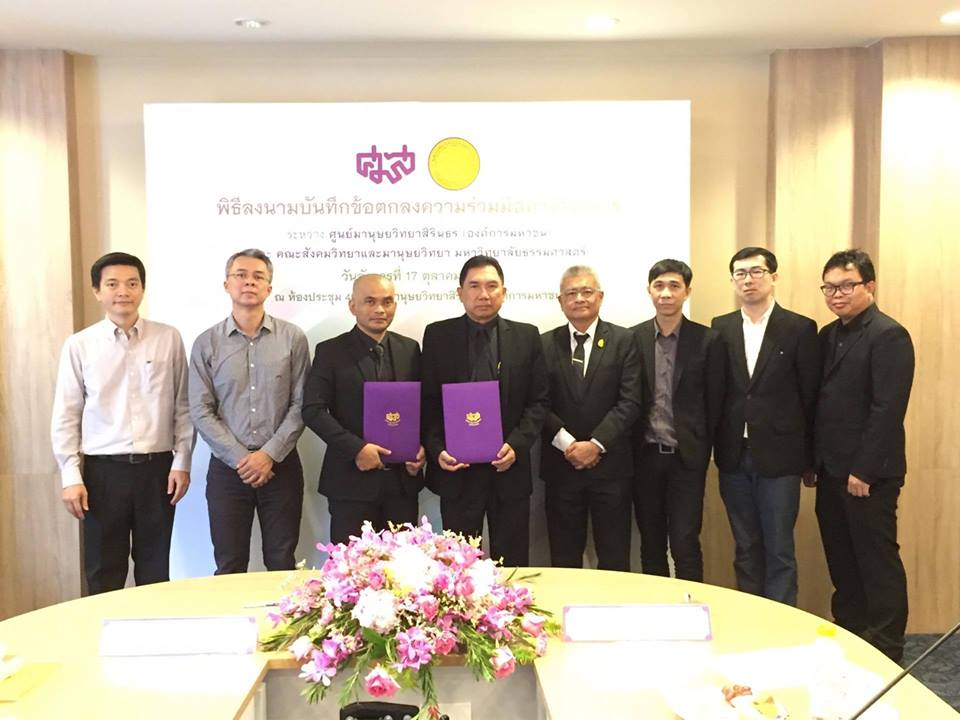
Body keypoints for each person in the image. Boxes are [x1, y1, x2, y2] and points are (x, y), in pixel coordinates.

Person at [51, 252, 192, 594]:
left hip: (157, 470)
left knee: (155, 569)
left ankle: (153, 628)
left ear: (142, 289)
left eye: (132, 283)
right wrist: (71, 475)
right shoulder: (80, 345)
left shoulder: (168, 338)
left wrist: (182, 461)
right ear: (97, 291)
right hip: (102, 473)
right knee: (104, 569)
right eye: (112, 284)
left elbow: (183, 406)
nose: (123, 292)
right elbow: (67, 413)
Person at [813, 249, 914, 662]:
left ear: (869, 286)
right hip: (830, 470)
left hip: (868, 475)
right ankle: (852, 634)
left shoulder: (889, 335)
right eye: (829, 287)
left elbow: (887, 409)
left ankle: (887, 646)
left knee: (876, 561)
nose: (837, 294)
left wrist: (864, 470)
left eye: (846, 286)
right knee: (842, 560)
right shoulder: (827, 335)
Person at [421, 255, 548, 567]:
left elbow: (539, 401)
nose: (484, 294)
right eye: (474, 286)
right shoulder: (438, 335)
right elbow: (428, 401)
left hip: (508, 470)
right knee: (457, 569)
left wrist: (516, 445)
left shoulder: (526, 336)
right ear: (460, 292)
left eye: (492, 286)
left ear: (503, 292)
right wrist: (437, 450)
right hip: (457, 472)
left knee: (512, 566)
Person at [189, 248, 310, 574]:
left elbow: (302, 403)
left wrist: (268, 455)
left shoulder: (292, 338)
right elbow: (200, 409)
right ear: (226, 284)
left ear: (269, 288)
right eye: (240, 275)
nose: (249, 282)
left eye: (258, 277)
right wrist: (241, 458)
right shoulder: (206, 343)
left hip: (281, 466)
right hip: (228, 470)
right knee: (229, 564)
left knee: (281, 562)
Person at [712, 247, 820, 605]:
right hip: (734, 456)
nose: (748, 280)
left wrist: (810, 460)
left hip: (781, 458)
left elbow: (810, 397)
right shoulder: (721, 327)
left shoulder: (799, 328)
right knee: (745, 547)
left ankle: (782, 622)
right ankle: (751, 617)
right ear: (732, 281)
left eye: (756, 272)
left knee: (779, 549)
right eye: (740, 273)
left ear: (773, 276)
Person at [302, 274, 425, 544]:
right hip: (350, 483)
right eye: (370, 301)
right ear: (352, 306)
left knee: (404, 565)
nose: (380, 309)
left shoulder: (409, 349)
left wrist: (421, 448)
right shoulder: (330, 351)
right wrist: (356, 448)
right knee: (351, 566)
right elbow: (313, 410)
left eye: (387, 302)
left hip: (402, 484)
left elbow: (421, 407)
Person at [540, 266, 642, 571]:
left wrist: (596, 445)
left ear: (600, 297)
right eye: (571, 293)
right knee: (564, 558)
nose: (579, 299)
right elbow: (538, 403)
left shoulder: (624, 340)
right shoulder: (543, 344)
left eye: (587, 292)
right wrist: (569, 445)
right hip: (561, 467)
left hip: (611, 469)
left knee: (614, 557)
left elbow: (630, 401)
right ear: (560, 301)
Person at [632, 259, 725, 581]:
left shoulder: (708, 340)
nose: (666, 293)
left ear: (687, 291)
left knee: (685, 542)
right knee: (651, 542)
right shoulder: (633, 338)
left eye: (674, 286)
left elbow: (715, 402)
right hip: (644, 457)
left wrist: (703, 449)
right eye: (659, 286)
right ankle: (656, 605)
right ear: (649, 291)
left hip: (686, 459)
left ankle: (691, 604)